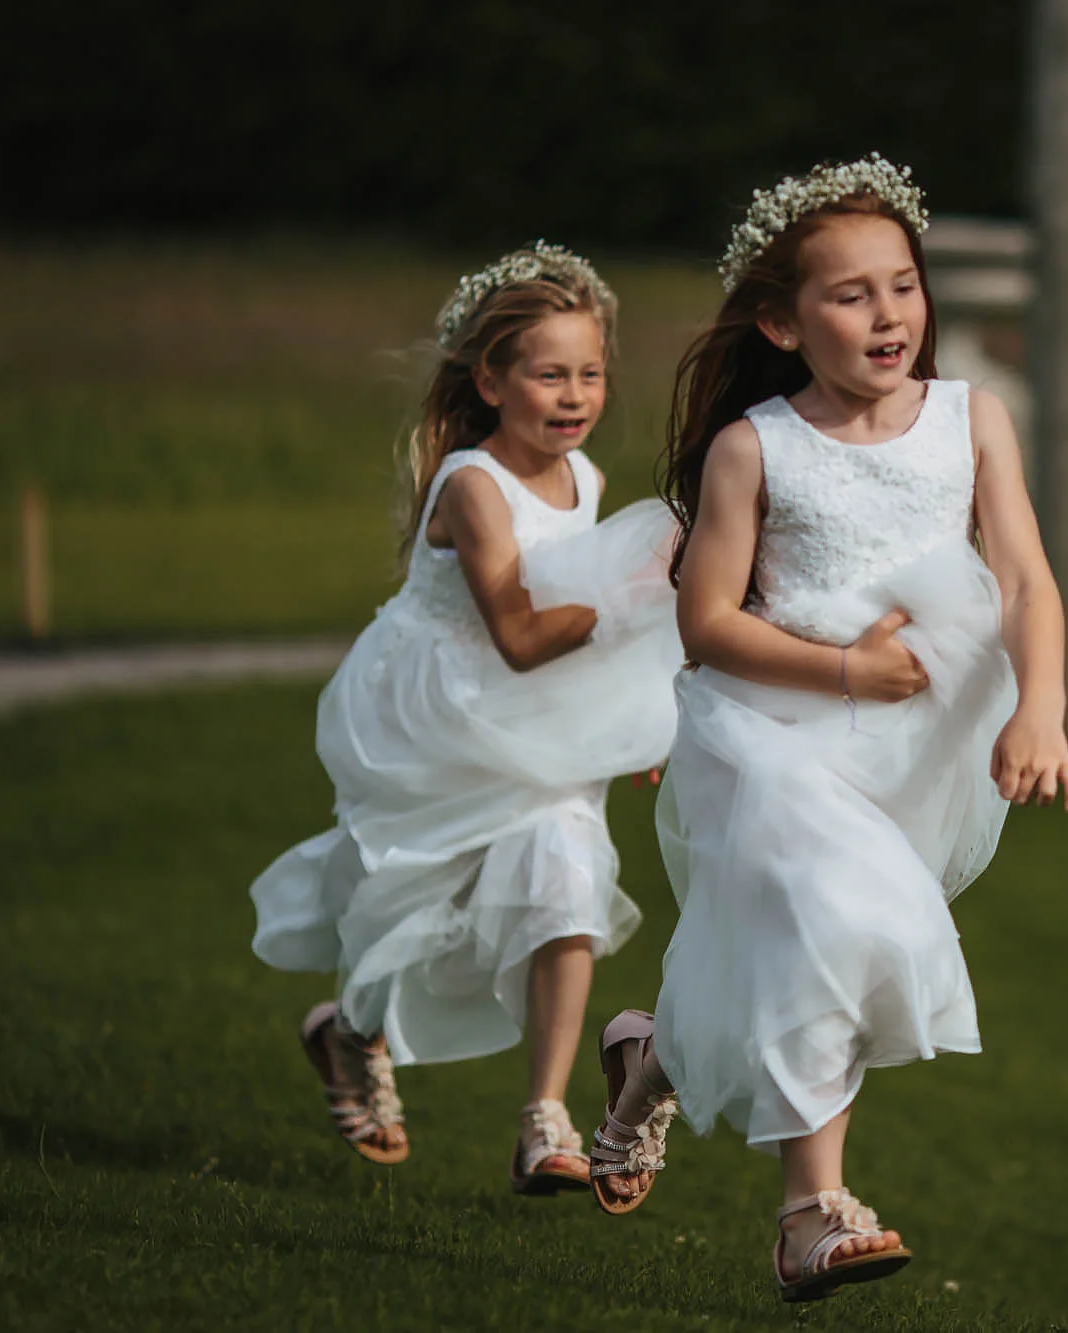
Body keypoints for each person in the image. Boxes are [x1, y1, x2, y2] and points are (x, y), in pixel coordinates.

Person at [587, 157, 1068, 1303]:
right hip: (768, 728)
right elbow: (706, 624)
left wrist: (1038, 706)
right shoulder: (754, 446)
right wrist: (847, 666)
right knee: (846, 922)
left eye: (902, 286)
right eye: (851, 295)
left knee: (818, 954)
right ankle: (810, 1212)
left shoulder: (972, 417)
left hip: (916, 744)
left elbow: (1025, 581)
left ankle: (645, 1059)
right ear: (780, 319)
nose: (888, 315)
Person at [249, 242, 682, 1195]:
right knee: (415, 904)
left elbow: (595, 636)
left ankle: (546, 1117)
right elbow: (523, 636)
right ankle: (353, 1033)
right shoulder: (474, 487)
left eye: (591, 373)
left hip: (545, 728)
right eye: (548, 374)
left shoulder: (592, 483)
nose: (573, 395)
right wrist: (645, 592)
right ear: (490, 379)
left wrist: (638, 719)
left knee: (567, 888)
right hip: (442, 721)